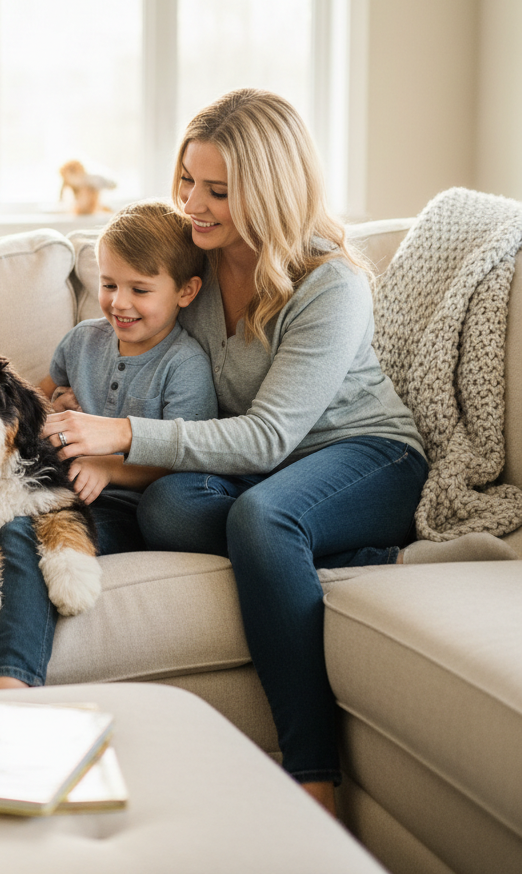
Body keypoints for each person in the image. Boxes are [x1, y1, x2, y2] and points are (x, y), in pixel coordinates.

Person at [41, 88, 433, 814]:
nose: (194, 203)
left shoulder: (329, 282)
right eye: (188, 180)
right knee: (165, 506)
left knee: (262, 521)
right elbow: (133, 347)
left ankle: (312, 774)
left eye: (218, 190)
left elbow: (268, 435)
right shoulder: (196, 264)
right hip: (261, 477)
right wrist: (70, 401)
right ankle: (349, 562)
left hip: (364, 453)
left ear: (271, 188)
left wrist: (118, 432)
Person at [38, 200, 217, 554]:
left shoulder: (185, 365)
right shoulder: (82, 340)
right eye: (109, 285)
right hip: (58, 489)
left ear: (186, 291)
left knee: (54, 544)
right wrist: (49, 406)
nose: (119, 303)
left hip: (128, 509)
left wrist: (107, 468)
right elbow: (34, 396)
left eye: (139, 290)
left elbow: (182, 462)